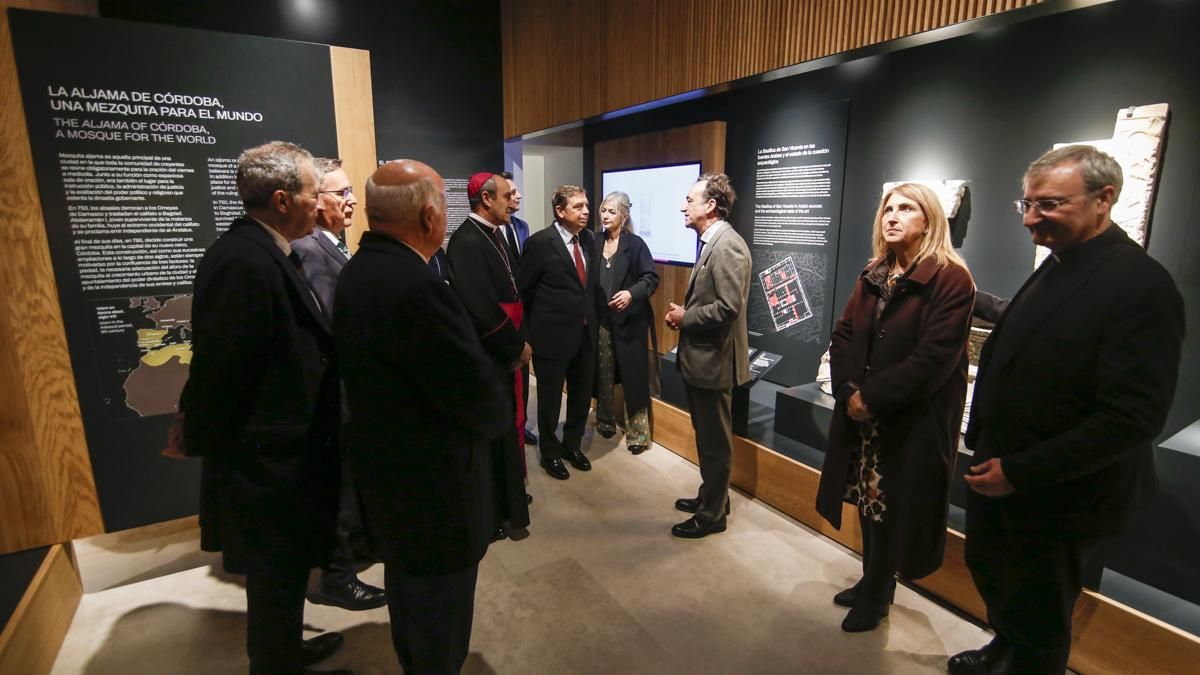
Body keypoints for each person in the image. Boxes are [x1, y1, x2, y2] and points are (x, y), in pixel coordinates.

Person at [951, 145, 1184, 674]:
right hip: (1005, 473)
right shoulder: (1061, 263)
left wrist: (1020, 472)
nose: (1032, 219)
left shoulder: (1141, 287)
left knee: (1041, 614)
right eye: (1026, 205)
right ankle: (1003, 648)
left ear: (1105, 199)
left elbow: (1133, 418)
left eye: (1049, 205)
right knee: (1000, 582)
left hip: (1058, 492)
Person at [179, 141, 349, 675]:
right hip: (268, 461)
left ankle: (285, 651)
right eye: (310, 191)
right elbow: (222, 365)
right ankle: (275, 664)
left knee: (285, 570)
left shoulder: (269, 250)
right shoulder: (243, 261)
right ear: (281, 199)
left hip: (284, 453)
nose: (318, 200)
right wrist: (198, 433)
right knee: (275, 570)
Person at [334, 159, 509, 675]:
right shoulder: (417, 286)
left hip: (391, 483)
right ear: (430, 216)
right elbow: (476, 396)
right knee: (440, 624)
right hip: (436, 491)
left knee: (411, 601)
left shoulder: (358, 271)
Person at [814, 182, 976, 633]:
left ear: (929, 219)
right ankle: (874, 582)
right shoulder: (875, 272)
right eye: (888, 207)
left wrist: (872, 399)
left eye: (907, 208)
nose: (893, 216)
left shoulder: (951, 278)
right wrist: (849, 392)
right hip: (863, 415)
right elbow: (844, 333)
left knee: (890, 507)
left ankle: (878, 592)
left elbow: (934, 359)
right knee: (868, 501)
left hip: (909, 421)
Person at [292, 157, 386, 613]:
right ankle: (337, 577)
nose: (352, 202)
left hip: (354, 387)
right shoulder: (310, 250)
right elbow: (334, 322)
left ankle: (355, 553)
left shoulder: (333, 244)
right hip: (338, 390)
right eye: (341, 194)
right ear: (316, 200)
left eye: (351, 193)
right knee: (340, 486)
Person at [664, 173, 751, 539]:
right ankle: (712, 497)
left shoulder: (727, 245)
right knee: (708, 438)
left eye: (690, 199)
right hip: (704, 359)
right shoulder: (712, 242)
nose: (684, 206)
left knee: (715, 442)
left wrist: (686, 318)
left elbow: (729, 307)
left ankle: (712, 514)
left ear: (710, 205)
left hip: (715, 363)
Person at [446, 172, 532, 537]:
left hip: (507, 346)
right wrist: (514, 345)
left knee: (510, 424)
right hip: (492, 351)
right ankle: (494, 510)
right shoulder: (466, 241)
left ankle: (509, 497)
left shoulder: (496, 234)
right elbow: (480, 306)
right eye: (507, 195)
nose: (513, 200)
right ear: (486, 199)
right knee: (494, 431)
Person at [517, 185, 598, 480]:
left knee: (580, 397)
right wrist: (525, 336)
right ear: (560, 211)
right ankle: (550, 453)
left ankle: (572, 446)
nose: (586, 211)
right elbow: (522, 291)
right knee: (550, 400)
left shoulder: (589, 240)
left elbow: (588, 286)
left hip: (585, 334)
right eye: (578, 206)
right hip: (551, 336)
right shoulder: (540, 243)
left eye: (586, 205)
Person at [592, 191, 659, 454]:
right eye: (603, 210)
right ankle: (605, 422)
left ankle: (638, 435)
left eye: (611, 211)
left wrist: (631, 294)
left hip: (630, 323)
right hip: (602, 321)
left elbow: (650, 278)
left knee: (634, 377)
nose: (605, 215)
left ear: (624, 215)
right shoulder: (594, 241)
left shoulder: (636, 244)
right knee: (603, 371)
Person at [500, 170, 538, 447]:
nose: (519, 196)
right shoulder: (487, 232)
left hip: (524, 309)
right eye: (512, 192)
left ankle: (522, 426)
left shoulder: (522, 227)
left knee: (523, 374)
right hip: (501, 315)